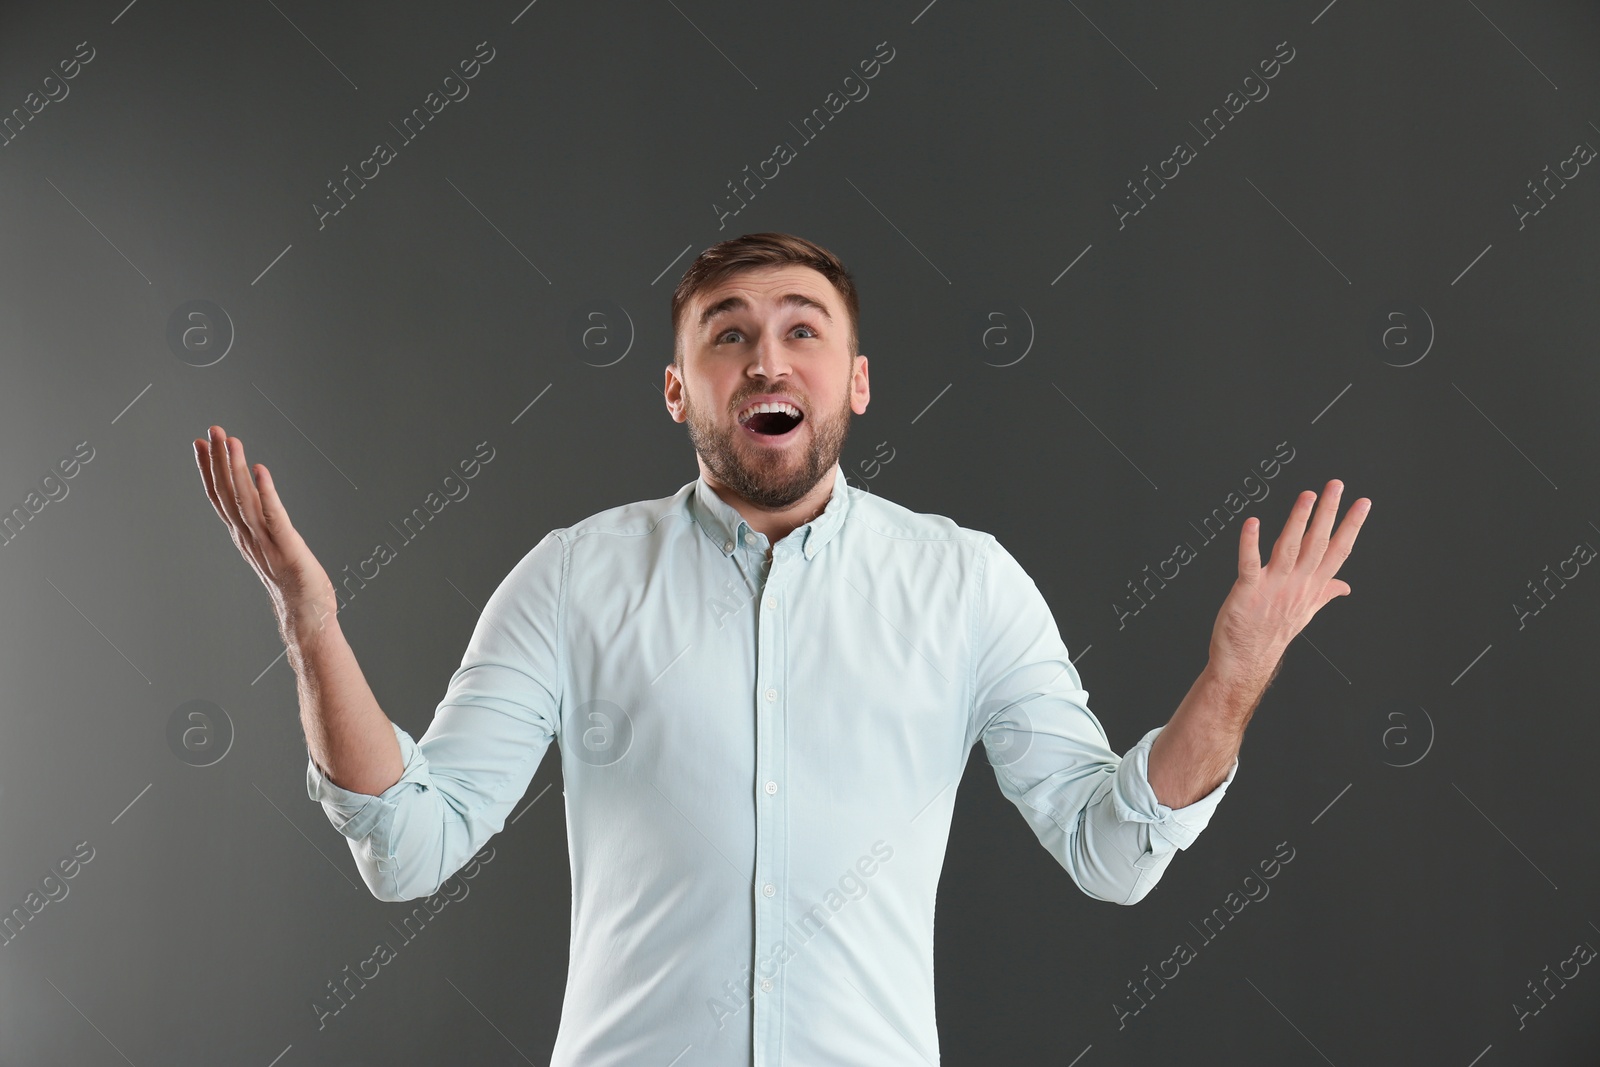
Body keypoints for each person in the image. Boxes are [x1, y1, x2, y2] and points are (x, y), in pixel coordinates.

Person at [193, 231, 1370, 1065]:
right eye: (729, 334)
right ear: (676, 390)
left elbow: (1111, 850)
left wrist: (1232, 678)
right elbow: (407, 845)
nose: (768, 358)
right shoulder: (573, 576)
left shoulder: (963, 583)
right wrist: (311, 625)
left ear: (853, 384)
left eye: (802, 331)